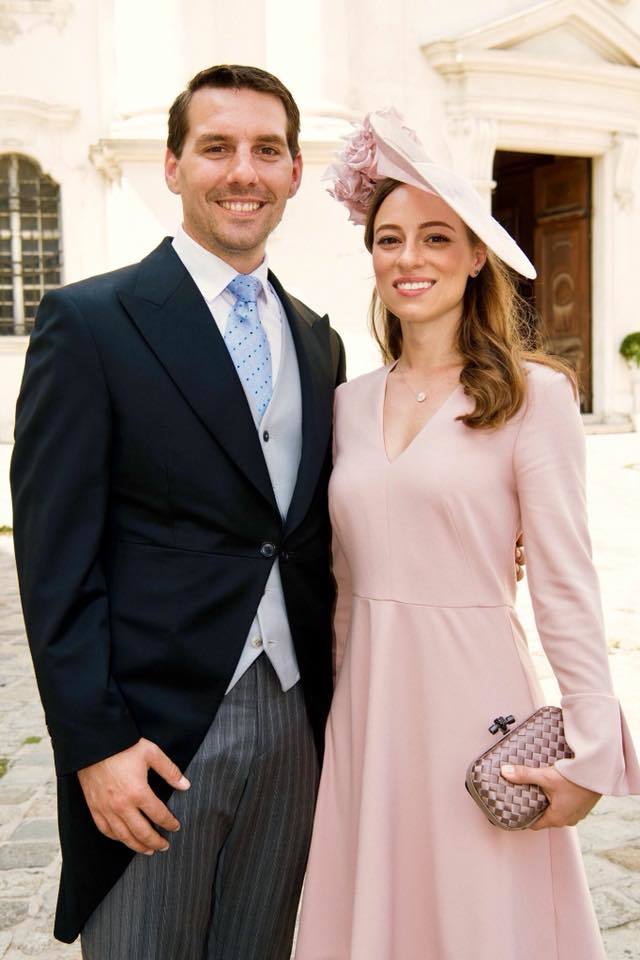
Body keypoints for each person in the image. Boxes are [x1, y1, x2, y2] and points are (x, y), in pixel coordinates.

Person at [10, 64, 347, 960]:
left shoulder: (318, 339)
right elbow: (53, 560)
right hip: (152, 737)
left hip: (296, 721)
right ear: (172, 165)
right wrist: (96, 745)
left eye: (266, 150)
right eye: (216, 147)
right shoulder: (91, 322)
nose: (243, 171)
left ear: (295, 172)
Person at [294, 111, 640, 960]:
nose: (409, 258)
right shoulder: (345, 403)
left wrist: (594, 750)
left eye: (436, 237)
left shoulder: (534, 397)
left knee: (481, 920)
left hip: (476, 701)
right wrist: (331, 718)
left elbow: (565, 583)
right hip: (368, 710)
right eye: (389, 240)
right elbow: (342, 584)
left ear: (477, 255)